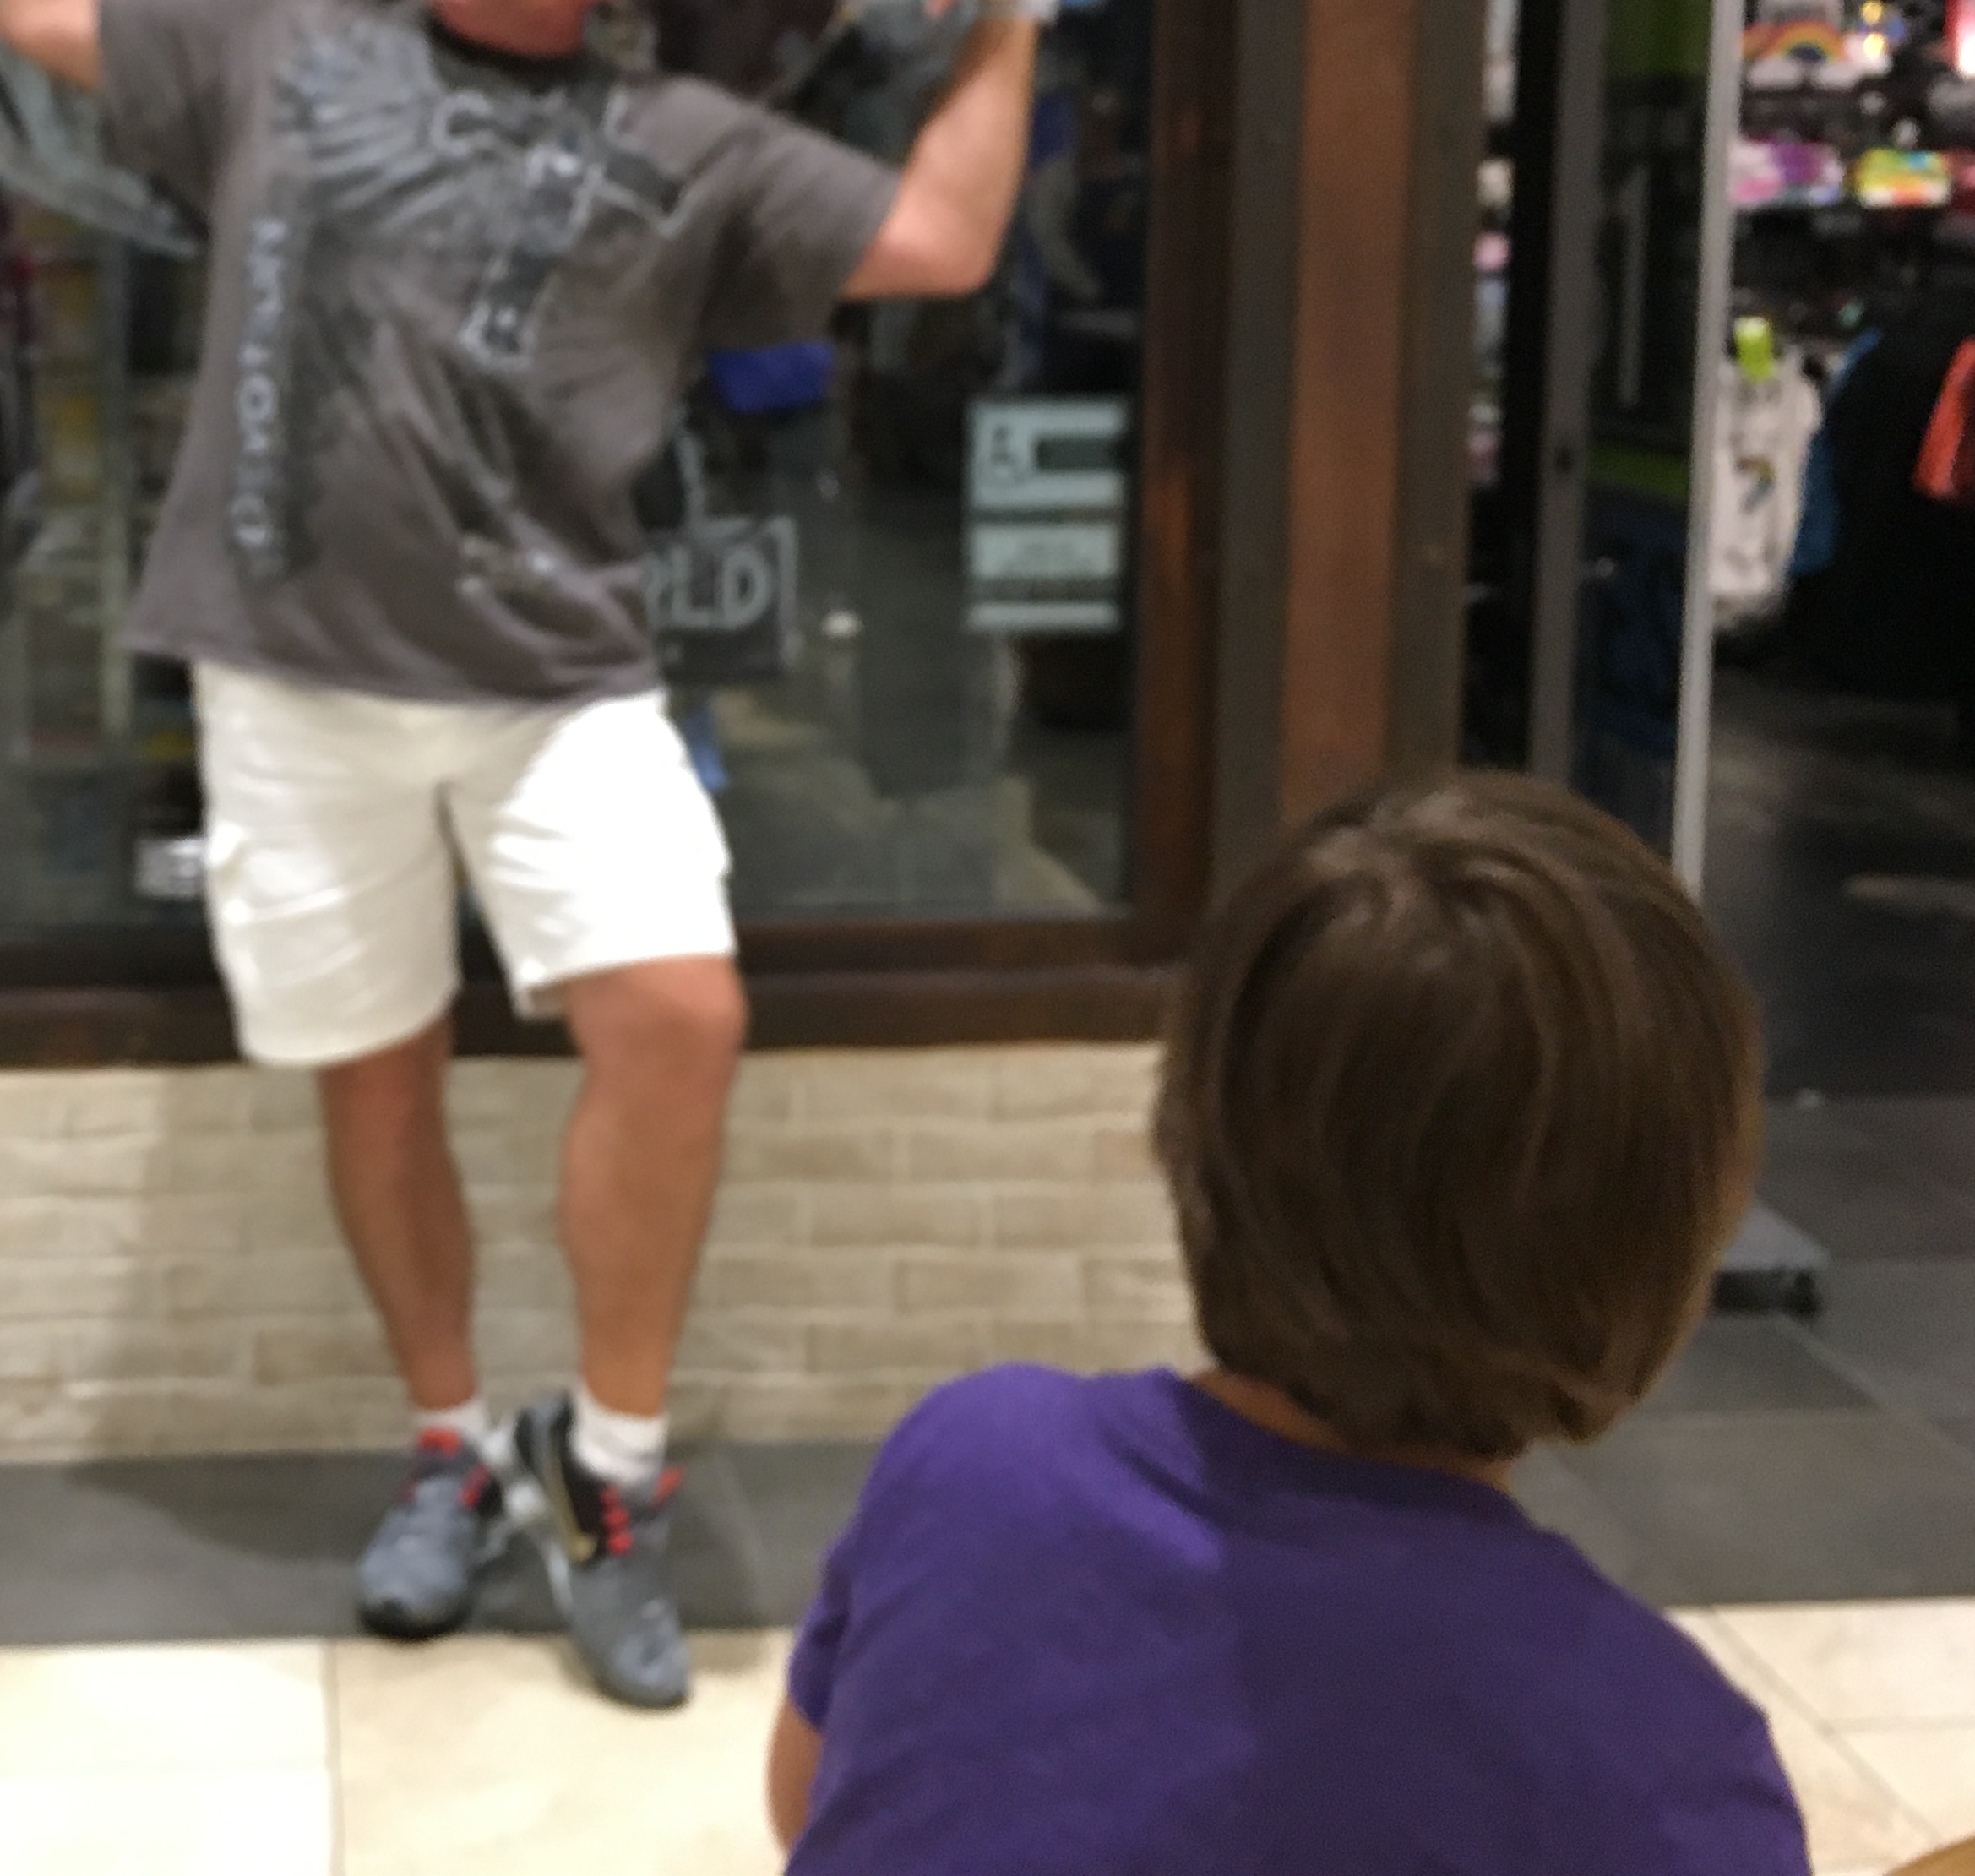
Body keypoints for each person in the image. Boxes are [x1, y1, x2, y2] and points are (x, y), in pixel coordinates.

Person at [0, 0, 1048, 1708]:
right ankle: (454, 1447)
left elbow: (940, 237)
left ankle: (610, 1474)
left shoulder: (680, 145)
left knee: (681, 1021)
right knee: (375, 1080)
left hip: (554, 682)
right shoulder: (280, 46)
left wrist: (1013, 14)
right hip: (291, 678)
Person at [768, 771, 1810, 1873]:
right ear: (1663, 1247)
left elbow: (809, 1805)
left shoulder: (971, 1461)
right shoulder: (1660, 1769)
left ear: (1192, 1135)